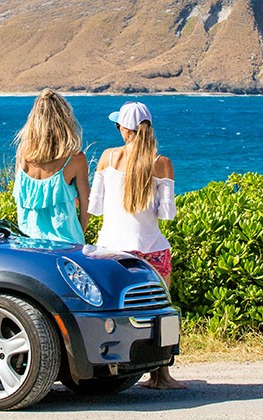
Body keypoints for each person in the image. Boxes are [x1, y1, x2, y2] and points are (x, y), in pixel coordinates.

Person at [89, 101, 186, 389]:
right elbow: (168, 214)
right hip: (152, 250)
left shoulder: (108, 158)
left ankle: (112, 366)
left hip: (111, 251)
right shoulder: (161, 163)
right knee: (160, 314)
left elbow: (94, 207)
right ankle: (161, 375)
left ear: (123, 128)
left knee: (115, 313)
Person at [12, 89, 89, 244]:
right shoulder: (75, 160)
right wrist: (79, 232)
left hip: (28, 245)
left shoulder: (22, 155)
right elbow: (87, 205)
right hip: (66, 246)